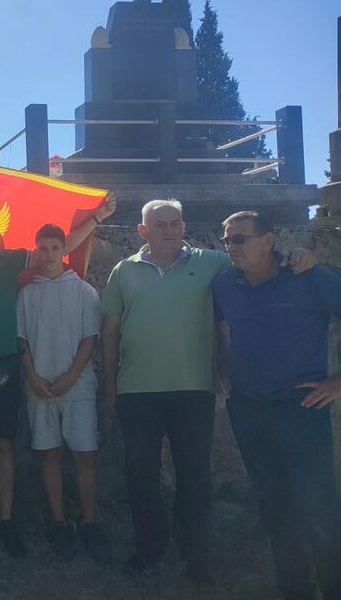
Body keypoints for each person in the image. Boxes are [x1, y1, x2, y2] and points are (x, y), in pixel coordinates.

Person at [100, 199, 315, 584]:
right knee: (141, 477)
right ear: (143, 231)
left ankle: (195, 555)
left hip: (194, 389)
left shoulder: (212, 262)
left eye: (176, 223)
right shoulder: (123, 271)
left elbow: (255, 261)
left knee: (195, 478)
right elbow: (111, 332)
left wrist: (293, 254)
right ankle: (149, 550)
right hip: (137, 391)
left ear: (184, 227)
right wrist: (112, 388)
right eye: (160, 224)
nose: (169, 230)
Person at [0, 197, 114, 562]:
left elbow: (59, 249)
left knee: (5, 446)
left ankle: (6, 520)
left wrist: (97, 217)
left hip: (5, 367)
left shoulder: (9, 261)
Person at [213, 211, 341, 599]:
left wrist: (338, 382)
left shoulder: (309, 277)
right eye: (227, 240)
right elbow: (220, 327)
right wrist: (223, 372)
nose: (231, 247)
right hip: (249, 410)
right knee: (276, 509)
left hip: (301, 408)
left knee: (318, 511)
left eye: (240, 239)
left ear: (269, 240)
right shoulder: (223, 284)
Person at [17, 224, 110, 564]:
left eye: (56, 247)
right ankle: (58, 521)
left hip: (78, 386)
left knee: (85, 455)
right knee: (49, 454)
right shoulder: (26, 294)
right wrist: (32, 376)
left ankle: (89, 520)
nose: (49, 254)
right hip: (39, 384)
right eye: (44, 248)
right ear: (36, 250)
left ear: (64, 250)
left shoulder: (85, 291)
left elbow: (89, 340)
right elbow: (22, 340)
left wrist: (71, 376)